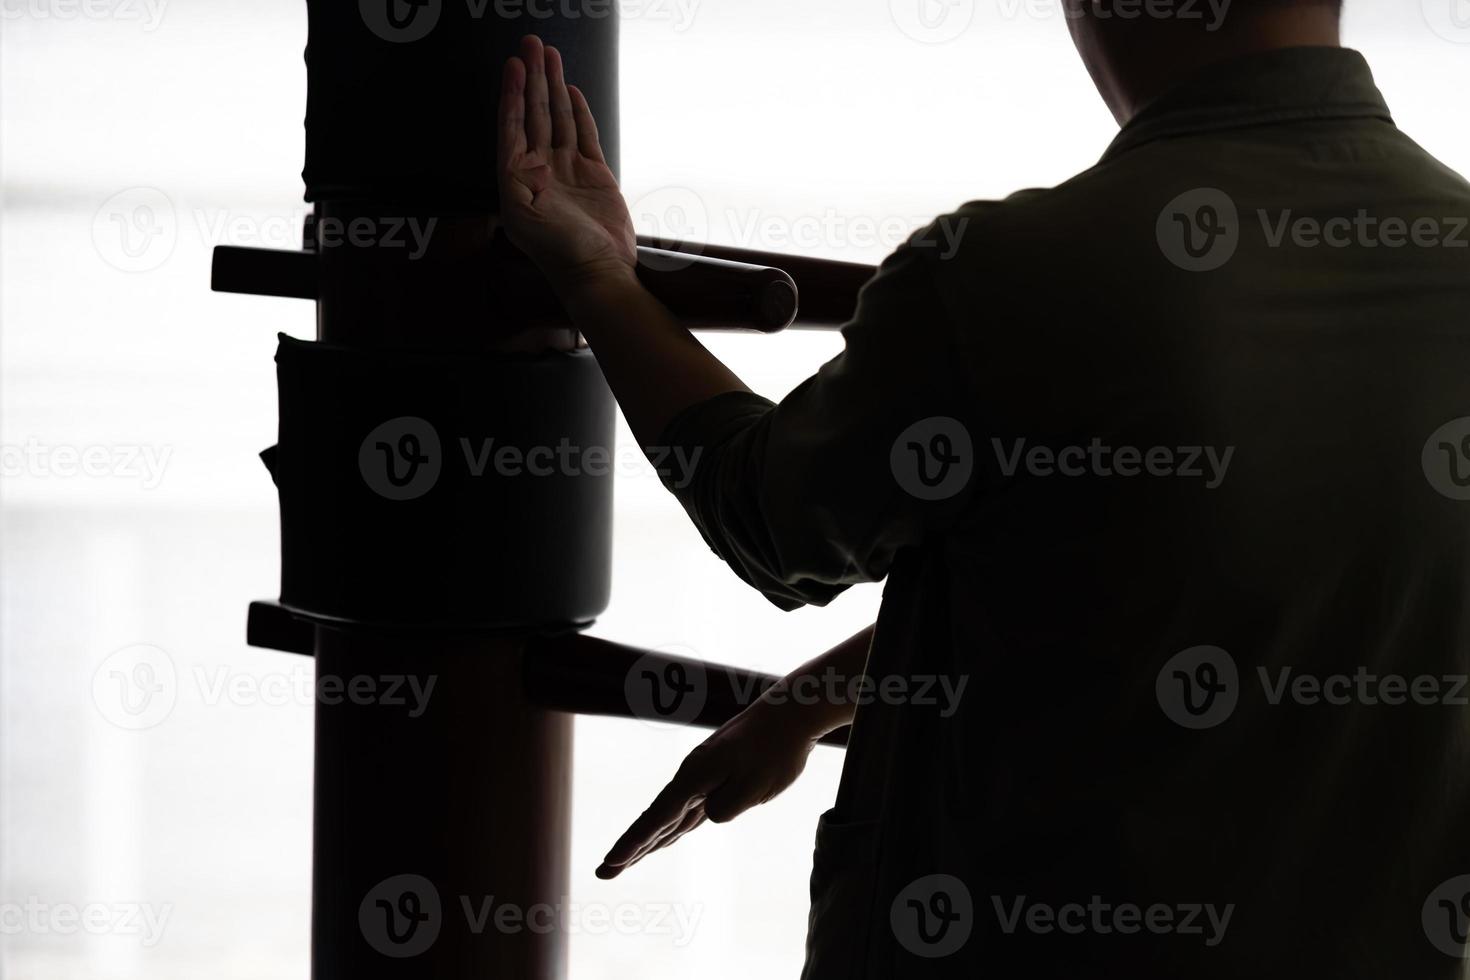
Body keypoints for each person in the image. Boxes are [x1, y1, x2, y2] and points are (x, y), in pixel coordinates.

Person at [496, 1, 1470, 974]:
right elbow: (1205, 572)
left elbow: (772, 521)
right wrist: (805, 705)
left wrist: (600, 281)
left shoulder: (1013, 271)